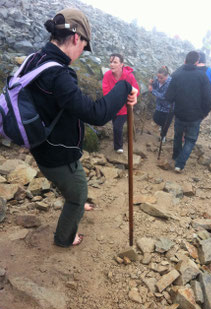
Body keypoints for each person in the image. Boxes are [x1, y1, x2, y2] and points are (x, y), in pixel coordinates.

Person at [20, 8, 138, 247]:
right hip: (56, 152)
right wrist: (125, 87)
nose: (82, 52)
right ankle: (65, 238)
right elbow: (97, 114)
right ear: (76, 38)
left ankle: (73, 197)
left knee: (73, 186)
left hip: (39, 142)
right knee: (79, 193)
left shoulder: (36, 59)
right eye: (84, 46)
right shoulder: (59, 74)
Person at [165, 51, 211, 172]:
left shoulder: (177, 75)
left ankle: (176, 156)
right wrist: (204, 113)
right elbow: (208, 98)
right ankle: (179, 164)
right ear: (197, 61)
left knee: (177, 136)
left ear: (185, 60)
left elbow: (168, 97)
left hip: (180, 113)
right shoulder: (202, 76)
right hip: (195, 115)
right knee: (190, 140)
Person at [102, 53, 140, 153]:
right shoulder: (107, 75)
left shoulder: (129, 76)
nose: (112, 64)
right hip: (113, 107)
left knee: (117, 127)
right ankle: (117, 144)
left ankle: (118, 147)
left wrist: (131, 98)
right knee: (115, 126)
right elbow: (106, 91)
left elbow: (136, 90)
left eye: (115, 62)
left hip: (125, 108)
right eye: (111, 62)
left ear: (121, 64)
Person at [148, 66, 174, 142]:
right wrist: (151, 83)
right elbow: (155, 86)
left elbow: (164, 96)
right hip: (159, 105)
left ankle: (163, 137)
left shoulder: (170, 83)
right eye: (158, 77)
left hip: (169, 107)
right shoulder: (157, 79)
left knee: (166, 123)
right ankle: (162, 126)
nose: (159, 80)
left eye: (161, 78)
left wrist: (152, 90)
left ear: (167, 76)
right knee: (156, 118)